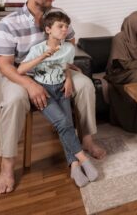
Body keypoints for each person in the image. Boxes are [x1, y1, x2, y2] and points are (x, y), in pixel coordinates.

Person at [0, 0, 105, 194]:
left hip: (56, 72)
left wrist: (66, 66)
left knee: (86, 84)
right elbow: (5, 66)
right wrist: (30, 85)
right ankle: (6, 167)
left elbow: (70, 41)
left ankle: (88, 140)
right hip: (21, 75)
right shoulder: (9, 23)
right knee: (13, 101)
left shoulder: (56, 17)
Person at [17, 11, 99, 187]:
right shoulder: (37, 49)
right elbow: (20, 71)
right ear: (48, 29)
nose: (65, 29)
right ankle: (84, 159)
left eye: (66, 26)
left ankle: (74, 165)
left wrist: (69, 79)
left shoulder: (68, 48)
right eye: (60, 26)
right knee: (62, 122)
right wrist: (43, 56)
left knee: (67, 124)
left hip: (61, 89)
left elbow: (65, 66)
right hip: (44, 91)